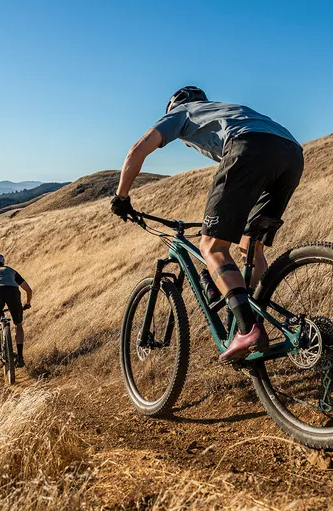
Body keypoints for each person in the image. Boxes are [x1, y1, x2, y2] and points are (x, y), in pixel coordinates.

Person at [111, 86, 304, 362]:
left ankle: (248, 329)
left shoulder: (181, 112)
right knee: (251, 248)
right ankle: (248, 312)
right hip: (291, 152)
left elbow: (137, 150)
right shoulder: (222, 111)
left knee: (211, 246)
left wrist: (121, 197)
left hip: (249, 146)